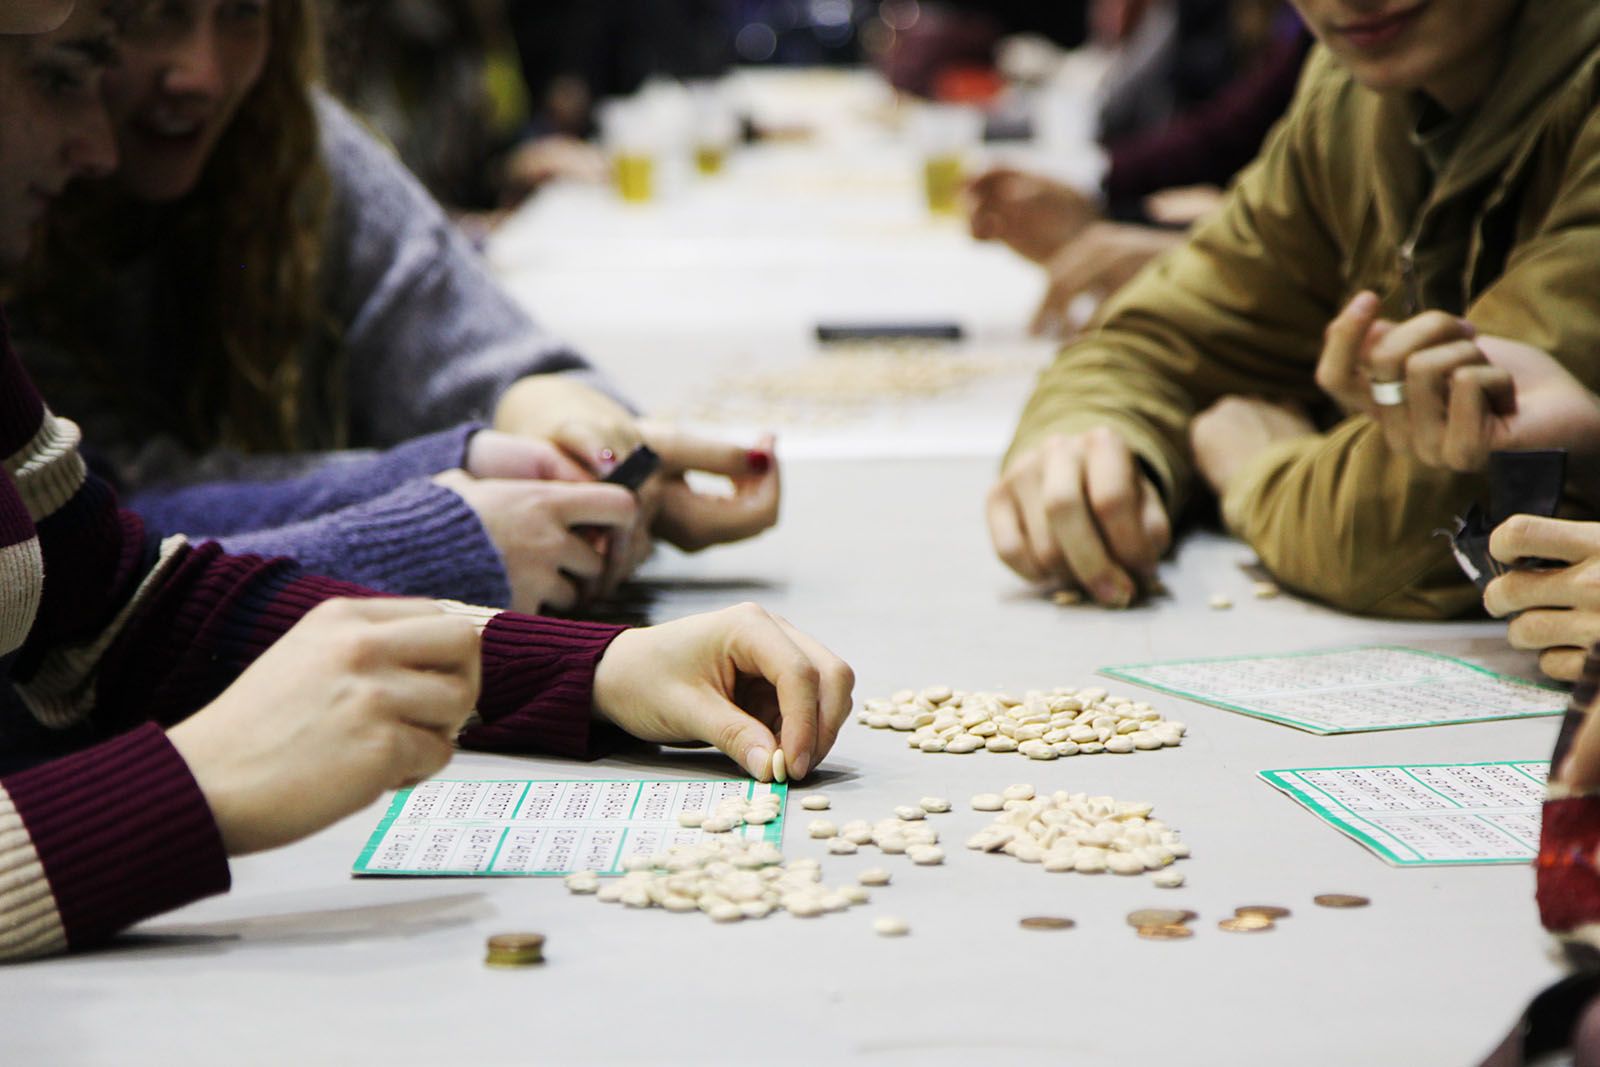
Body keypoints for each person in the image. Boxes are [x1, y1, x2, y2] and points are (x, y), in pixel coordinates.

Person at [0, 0, 853, 962]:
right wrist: (188, 788)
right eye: (65, 73)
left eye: (238, 15)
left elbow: (115, 602)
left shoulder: (291, 135)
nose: (95, 144)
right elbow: (138, 516)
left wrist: (593, 665)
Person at [10, 0, 778, 618]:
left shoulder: (290, 135)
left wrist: (560, 420)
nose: (202, 73)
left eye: (243, 12)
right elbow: (97, 540)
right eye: (151, 15)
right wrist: (456, 503)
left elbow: (467, 335)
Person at [988, 0, 1600, 618]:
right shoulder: (1353, 93)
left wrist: (1256, 470)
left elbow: (1416, 524)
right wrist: (1088, 446)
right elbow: (1153, 341)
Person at [967, 2, 1310, 333]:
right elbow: (1227, 133)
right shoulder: (1321, 55)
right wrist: (1100, 202)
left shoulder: (1329, 47)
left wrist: (1201, 257)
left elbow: (1315, 259)